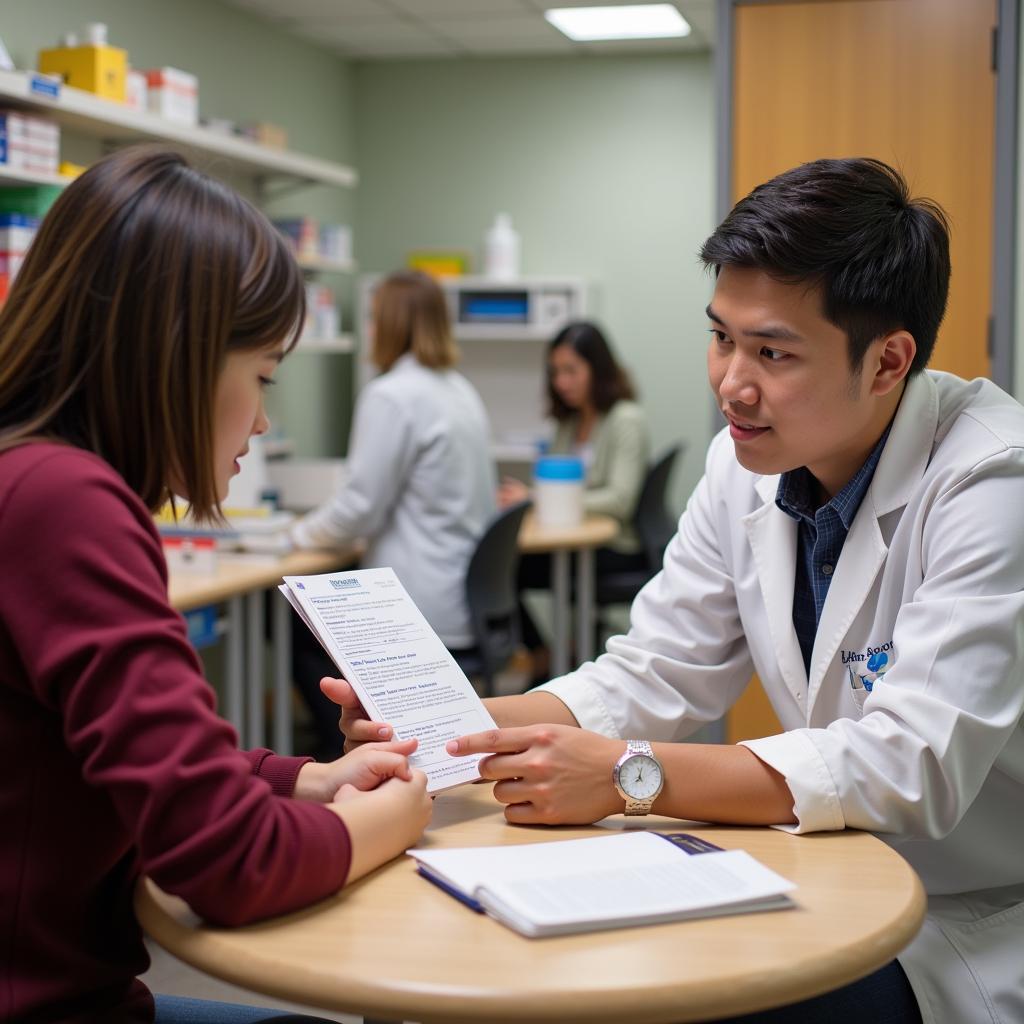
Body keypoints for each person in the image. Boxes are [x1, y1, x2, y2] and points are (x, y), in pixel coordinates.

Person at [335, 158, 1024, 1023]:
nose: (732, 382)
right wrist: (461, 725)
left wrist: (633, 779)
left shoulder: (993, 481)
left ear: (888, 362)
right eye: (722, 336)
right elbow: (655, 670)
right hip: (827, 864)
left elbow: (909, 762)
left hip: (976, 915)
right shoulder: (746, 462)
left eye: (772, 351)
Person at [0, 146, 432, 1024]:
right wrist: (397, 818)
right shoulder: (66, 501)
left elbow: (127, 762)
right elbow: (235, 865)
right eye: (263, 376)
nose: (265, 419)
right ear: (177, 356)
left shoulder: (26, 475)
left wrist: (304, 779)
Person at [289, 269, 496, 757]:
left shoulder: (391, 394)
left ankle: (334, 761)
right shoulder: (459, 389)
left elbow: (358, 508)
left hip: (416, 603)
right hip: (461, 594)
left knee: (292, 636)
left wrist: (294, 534)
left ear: (389, 323)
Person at [499, 321, 651, 678]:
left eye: (571, 371)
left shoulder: (626, 419)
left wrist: (538, 498)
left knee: (513, 569)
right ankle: (545, 653)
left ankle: (555, 659)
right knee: (504, 567)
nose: (561, 382)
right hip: (573, 541)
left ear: (597, 370)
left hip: (615, 546)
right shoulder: (569, 423)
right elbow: (554, 479)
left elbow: (619, 500)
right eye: (555, 372)